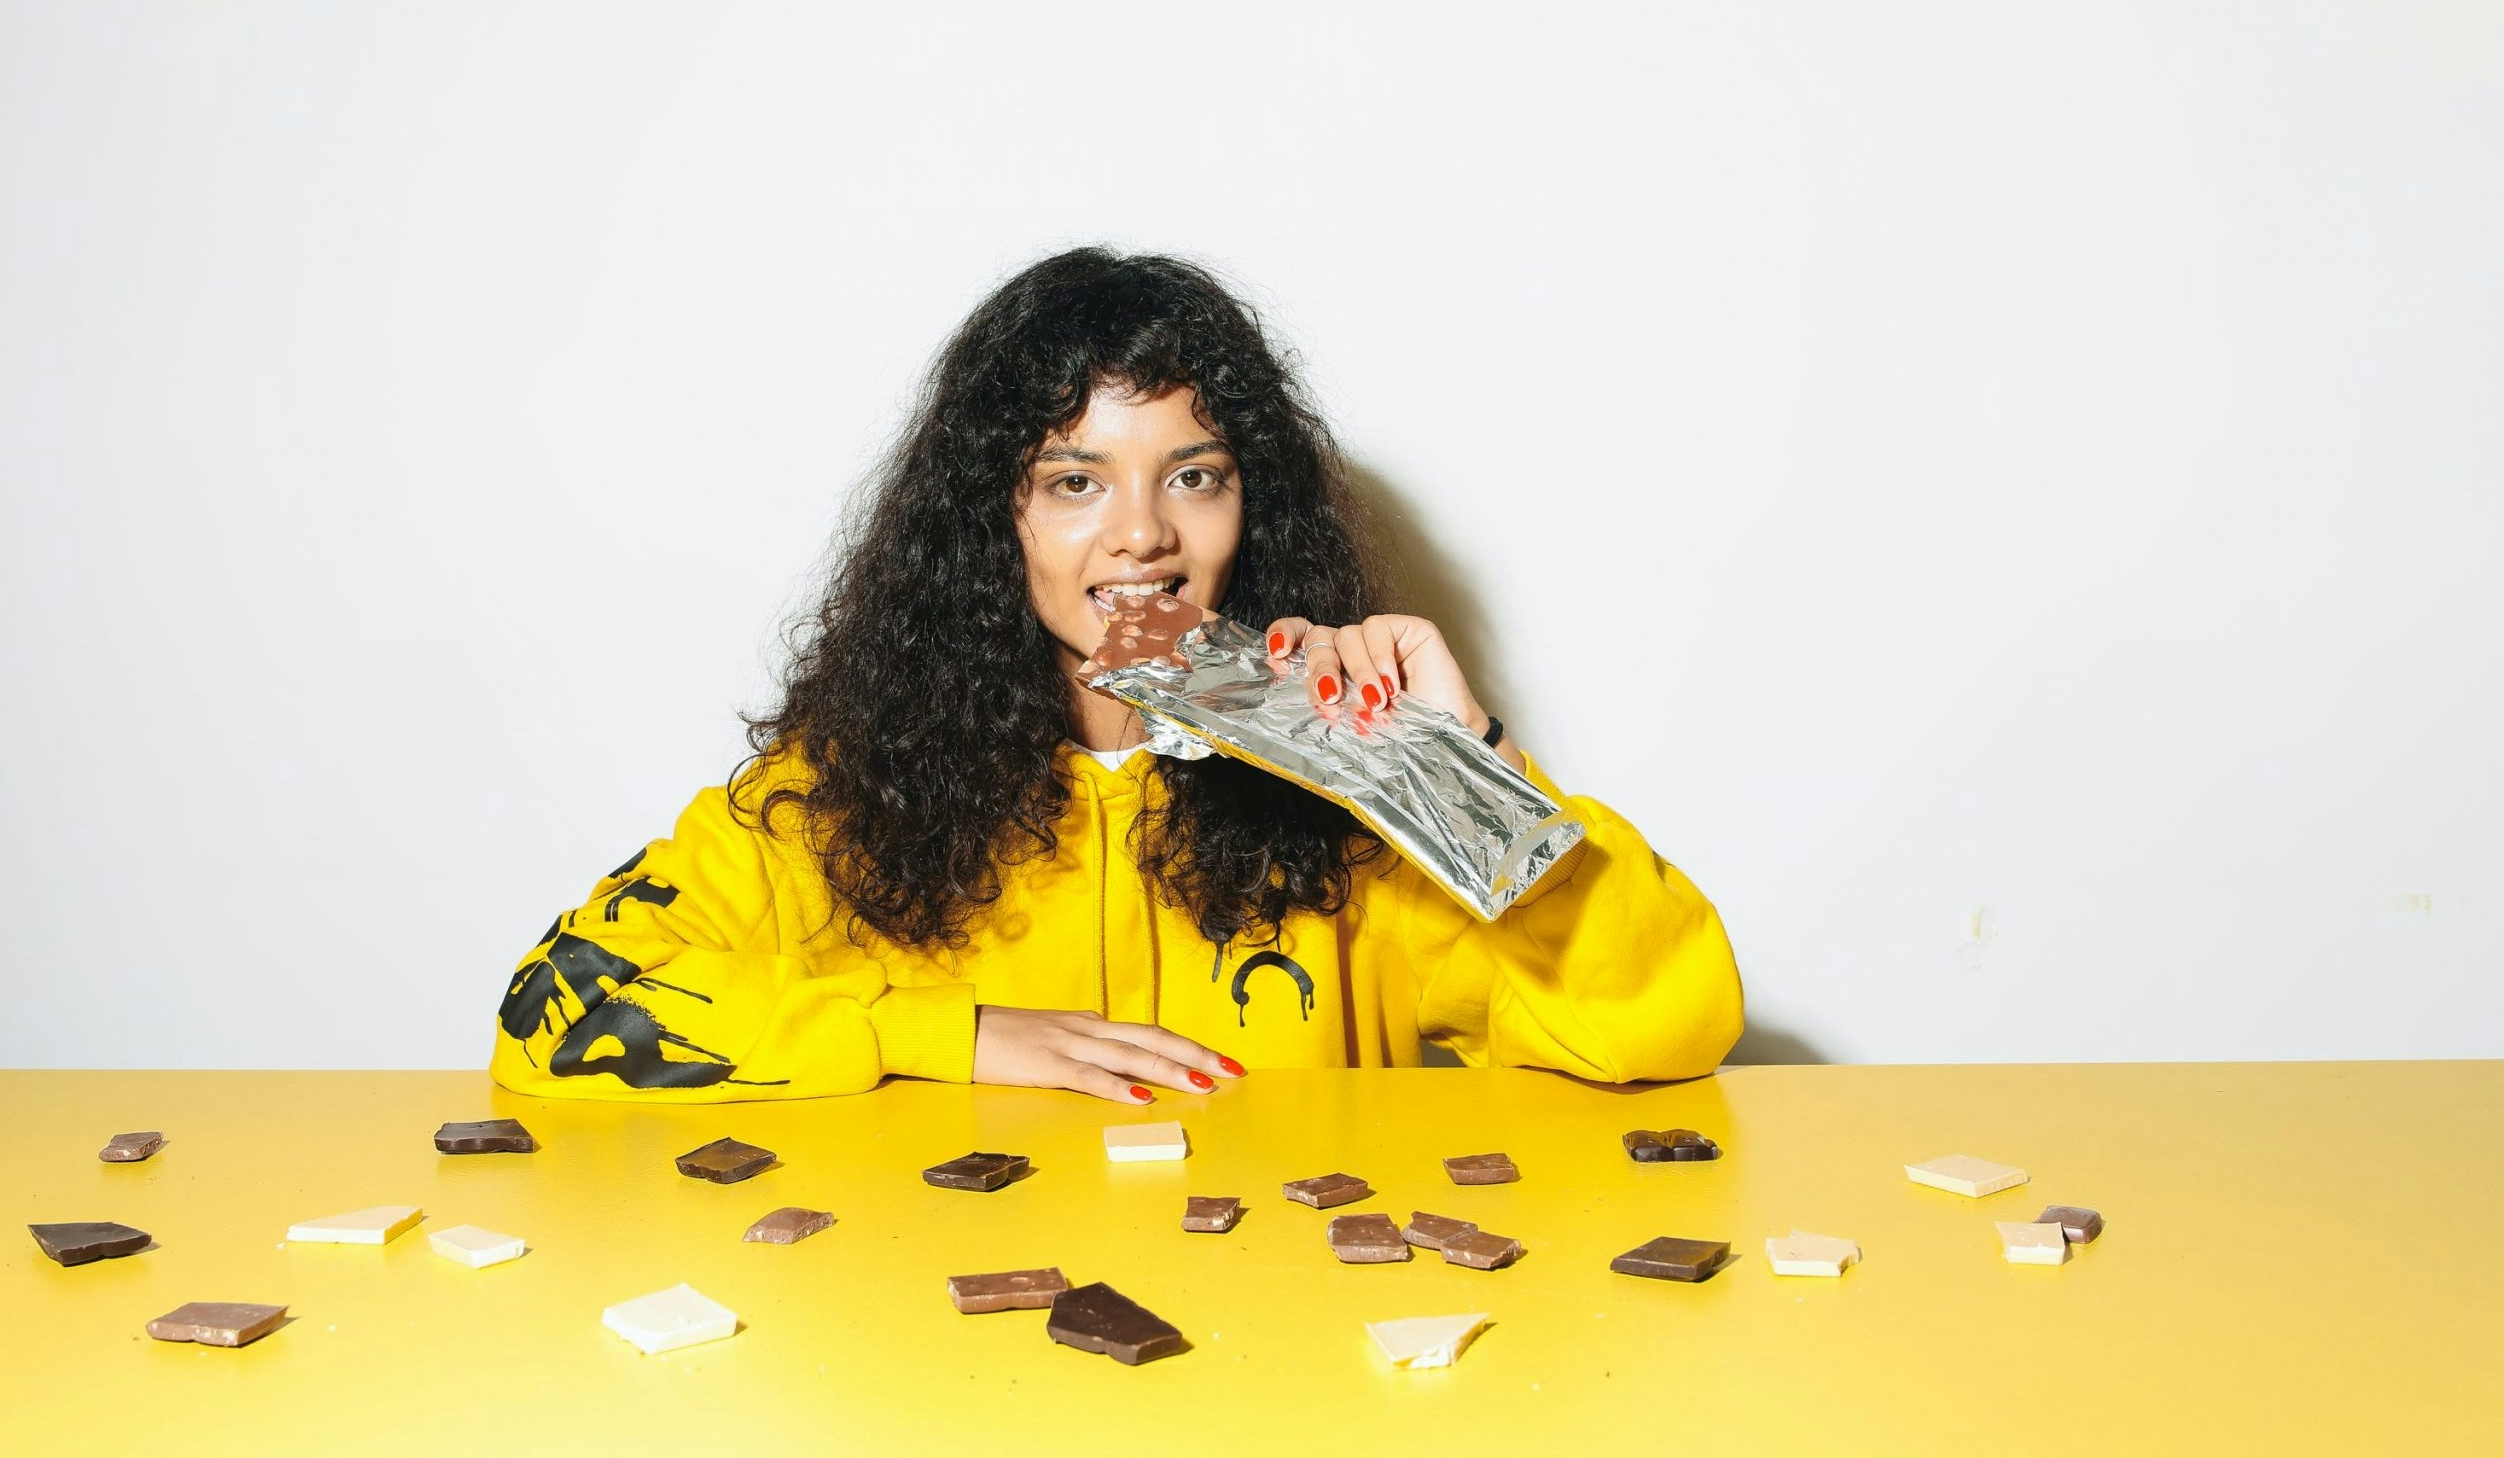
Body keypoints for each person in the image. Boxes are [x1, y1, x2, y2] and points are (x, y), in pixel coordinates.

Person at [490, 248, 1742, 1104]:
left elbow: (1671, 1023)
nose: (1142, 535)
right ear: (993, 521)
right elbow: (556, 1011)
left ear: (1253, 506)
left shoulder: (1360, 796)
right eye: (1074, 481)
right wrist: (948, 1037)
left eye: (1193, 475)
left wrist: (1458, 773)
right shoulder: (837, 796)